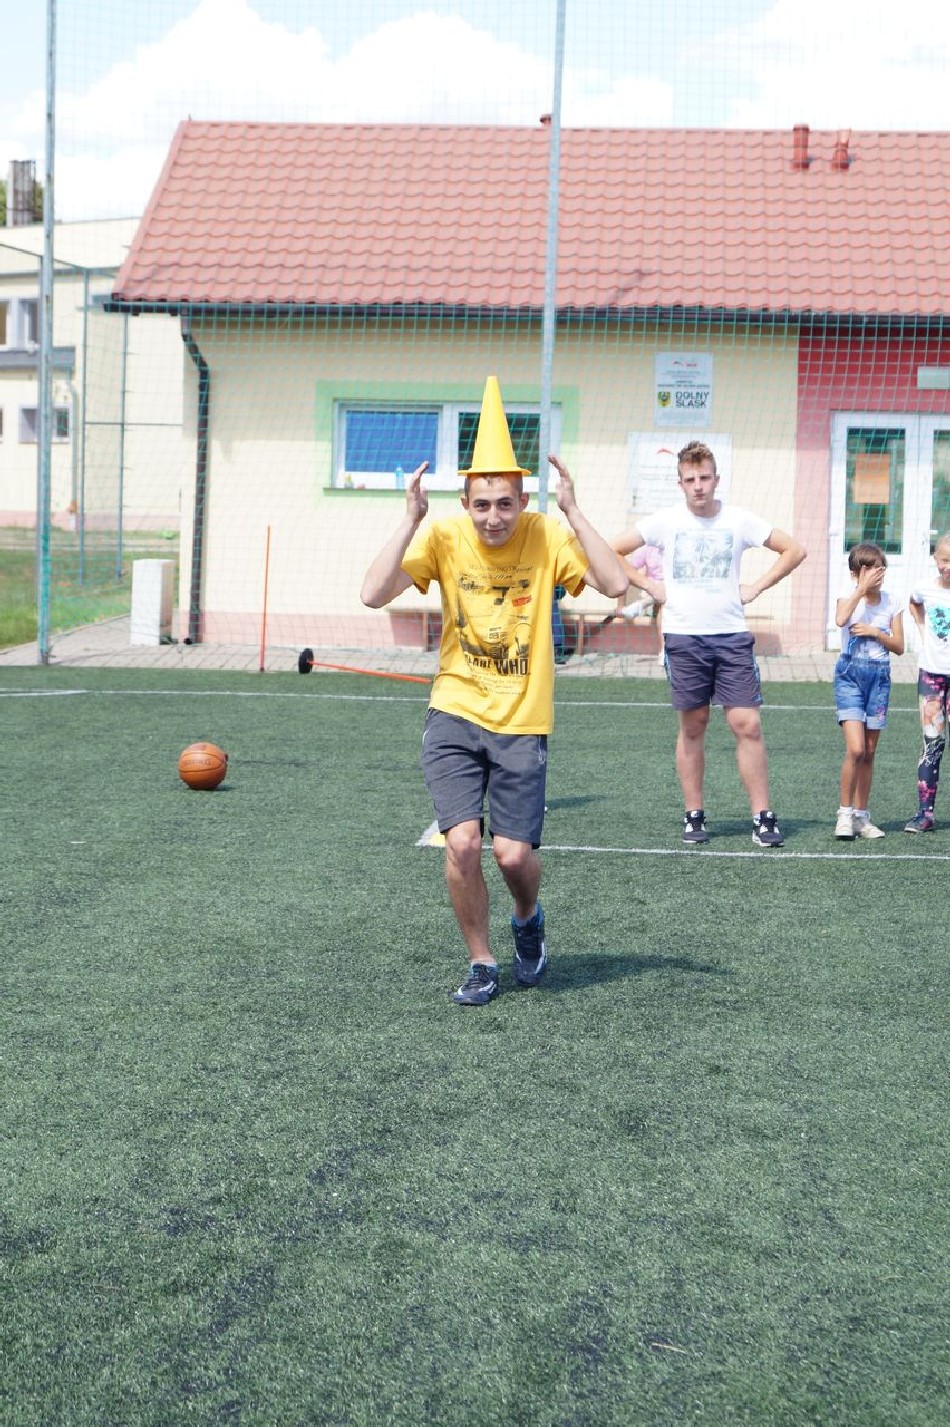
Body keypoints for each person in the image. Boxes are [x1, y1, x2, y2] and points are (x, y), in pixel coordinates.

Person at [360, 375, 628, 1005]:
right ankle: (481, 961)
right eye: (481, 505)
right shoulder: (444, 537)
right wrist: (410, 520)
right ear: (465, 502)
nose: (493, 517)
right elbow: (373, 593)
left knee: (511, 856)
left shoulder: (547, 534)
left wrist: (573, 511)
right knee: (461, 842)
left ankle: (527, 919)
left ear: (523, 499)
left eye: (505, 504)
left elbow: (616, 584)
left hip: (521, 720)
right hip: (454, 710)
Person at [612, 439, 806, 847]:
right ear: (680, 483)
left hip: (731, 637)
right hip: (684, 638)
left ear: (717, 479)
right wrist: (649, 584)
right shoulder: (665, 522)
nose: (698, 485)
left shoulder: (739, 520)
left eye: (704, 478)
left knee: (747, 724)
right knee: (693, 725)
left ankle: (763, 817)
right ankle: (694, 815)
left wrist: (756, 586)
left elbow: (794, 549)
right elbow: (612, 550)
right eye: (690, 479)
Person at [833, 542, 904, 840]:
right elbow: (840, 620)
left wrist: (876, 632)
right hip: (850, 677)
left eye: (880, 568)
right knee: (856, 749)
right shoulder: (849, 597)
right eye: (871, 569)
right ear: (856, 573)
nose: (878, 574)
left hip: (879, 679)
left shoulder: (892, 601)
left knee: (870, 752)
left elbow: (899, 646)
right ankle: (844, 814)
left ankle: (862, 817)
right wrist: (860, 590)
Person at [904, 532, 950, 833]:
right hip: (932, 677)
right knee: (932, 744)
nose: (948, 567)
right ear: (935, 558)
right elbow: (914, 603)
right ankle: (925, 814)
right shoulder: (924, 589)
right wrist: (922, 628)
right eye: (944, 560)